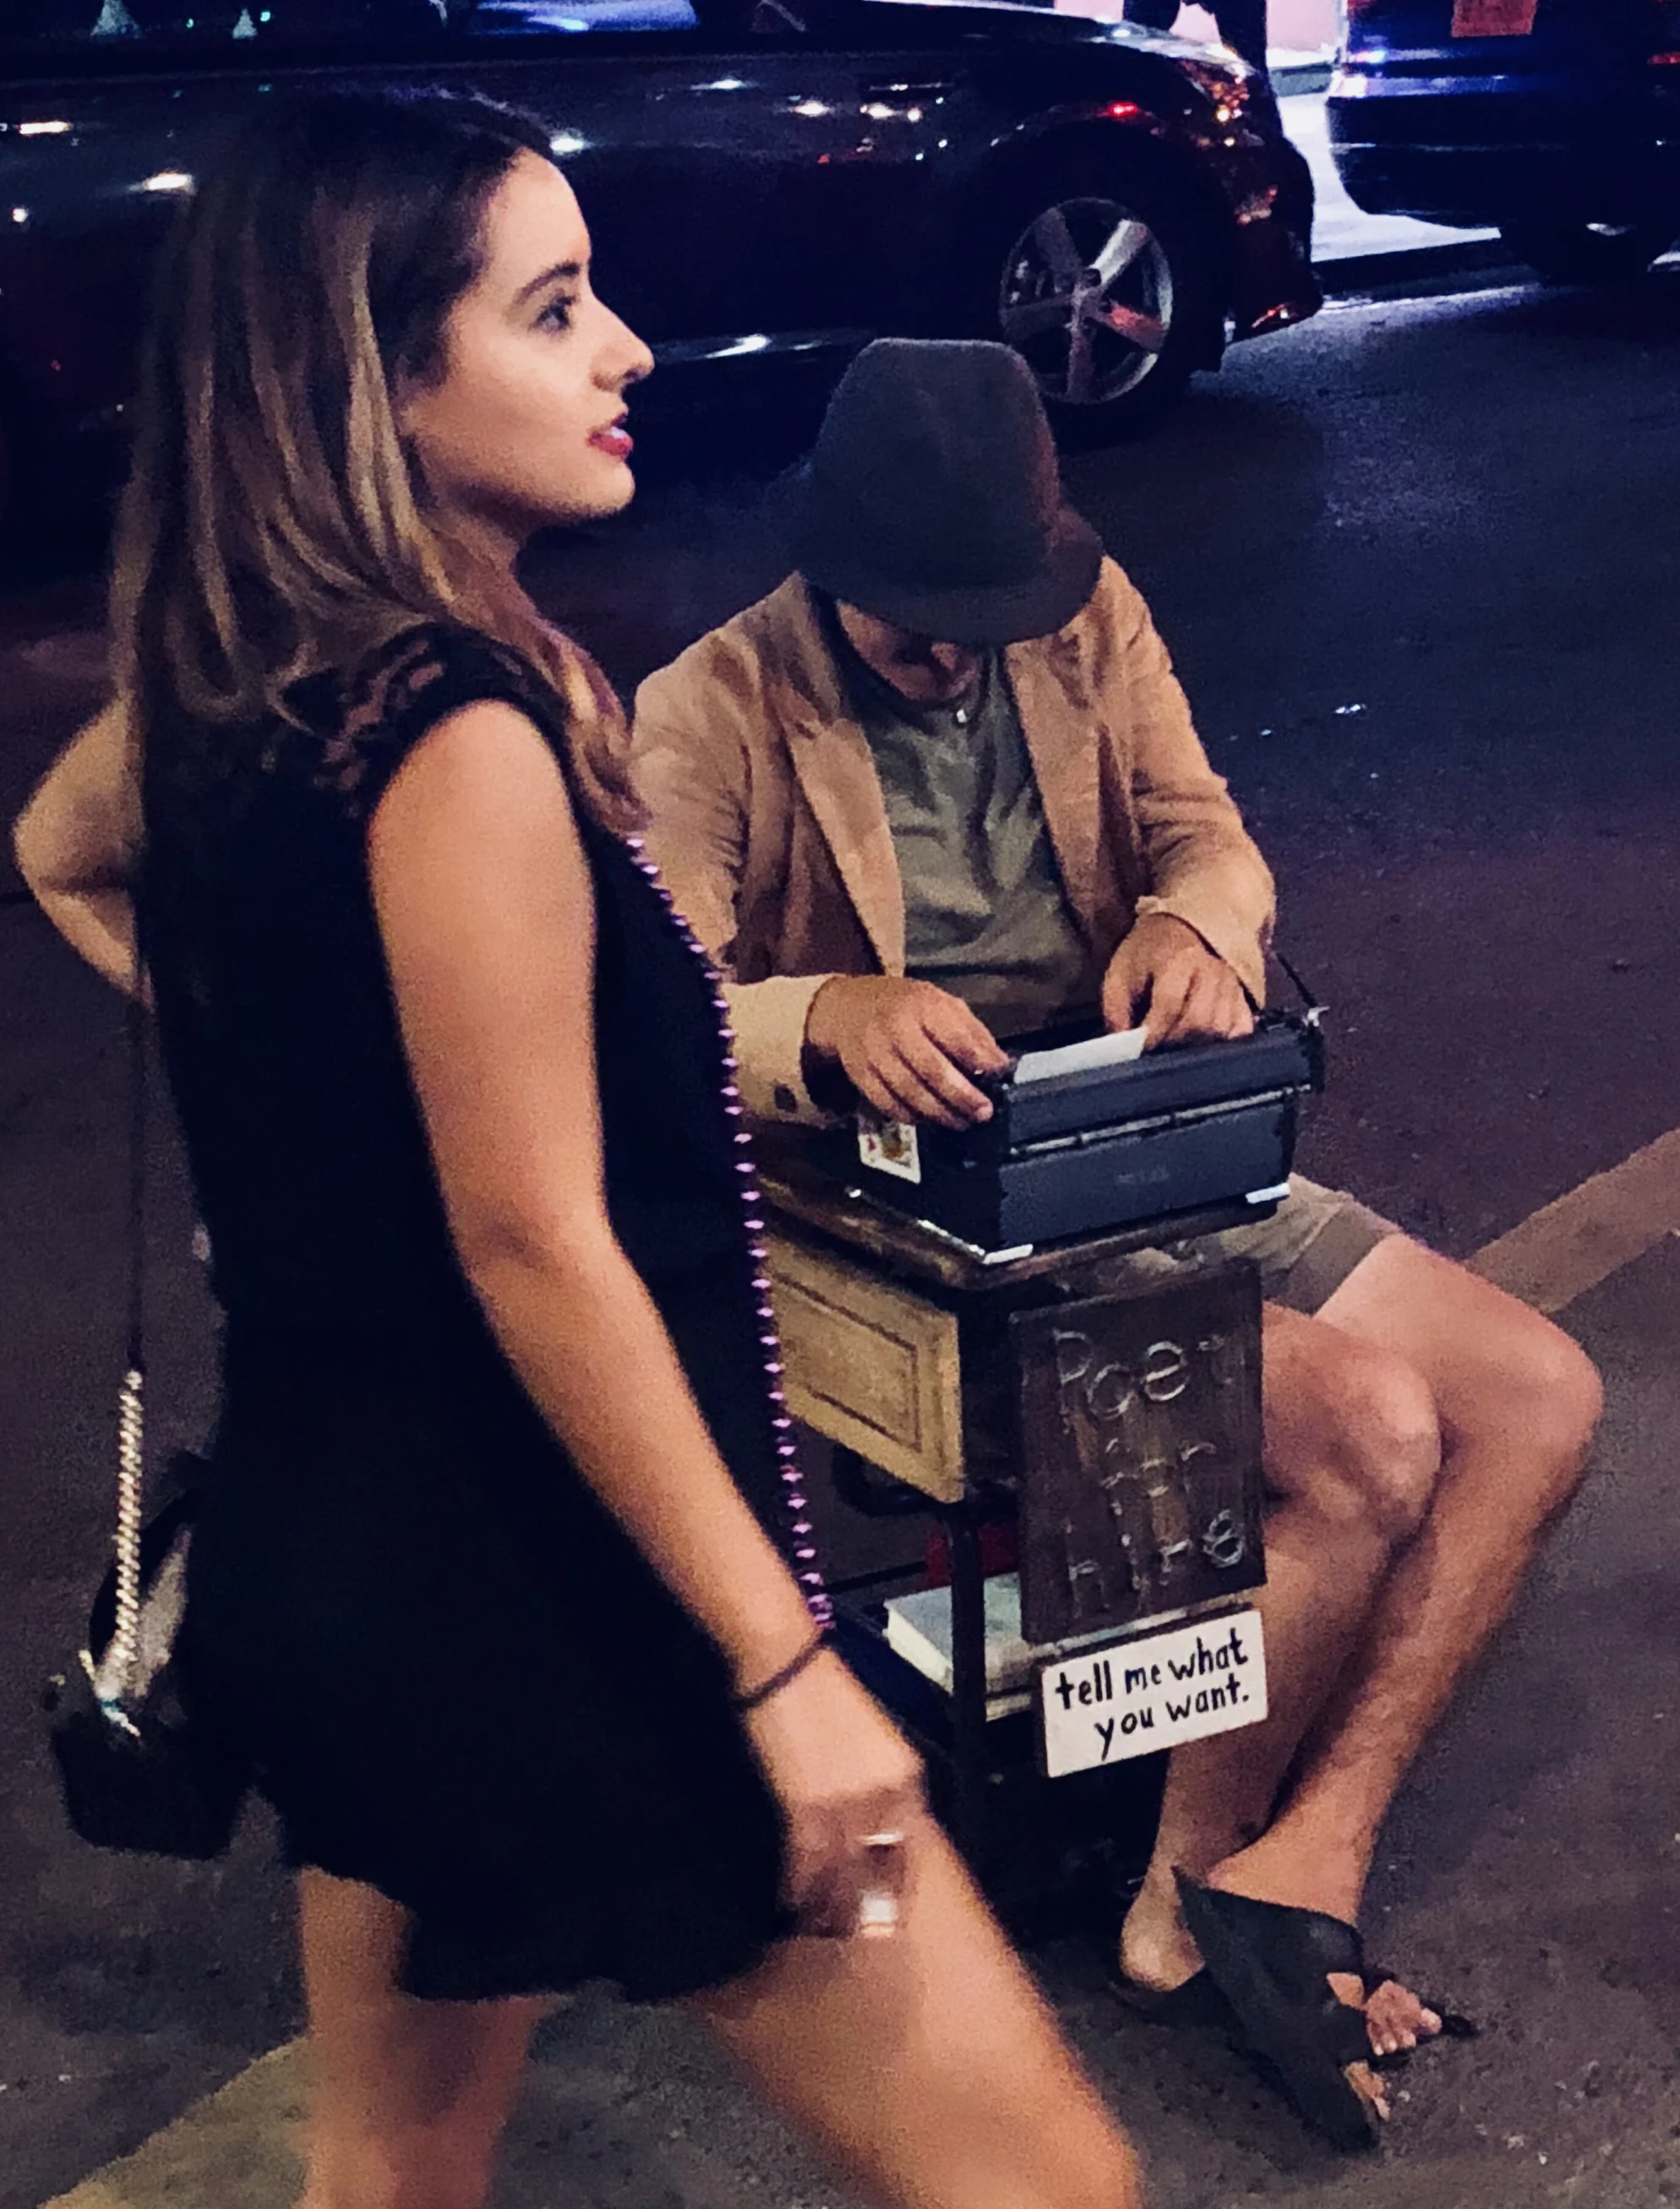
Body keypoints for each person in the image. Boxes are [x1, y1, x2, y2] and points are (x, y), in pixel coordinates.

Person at [13, 101, 1144, 2209]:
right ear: (377, 379)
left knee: (389, 2175)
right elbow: (539, 1240)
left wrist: (329, 1093)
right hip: (568, 1597)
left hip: (348, 1563)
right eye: (552, 309)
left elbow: (61, 846)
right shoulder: (451, 729)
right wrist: (791, 1666)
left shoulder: (256, 674)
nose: (625, 346)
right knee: (1047, 2185)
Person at [626, 336, 1605, 2146]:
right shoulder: (707, 707)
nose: (963, 652)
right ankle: (1186, 1880)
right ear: (830, 564)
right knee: (1370, 1432)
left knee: (1538, 1391)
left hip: (1125, 1129)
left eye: (991, 613)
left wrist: (1200, 930)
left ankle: (1303, 1850)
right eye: (923, 622)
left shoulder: (1082, 619)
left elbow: (1204, 834)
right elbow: (661, 1012)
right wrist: (824, 1010)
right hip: (916, 1214)